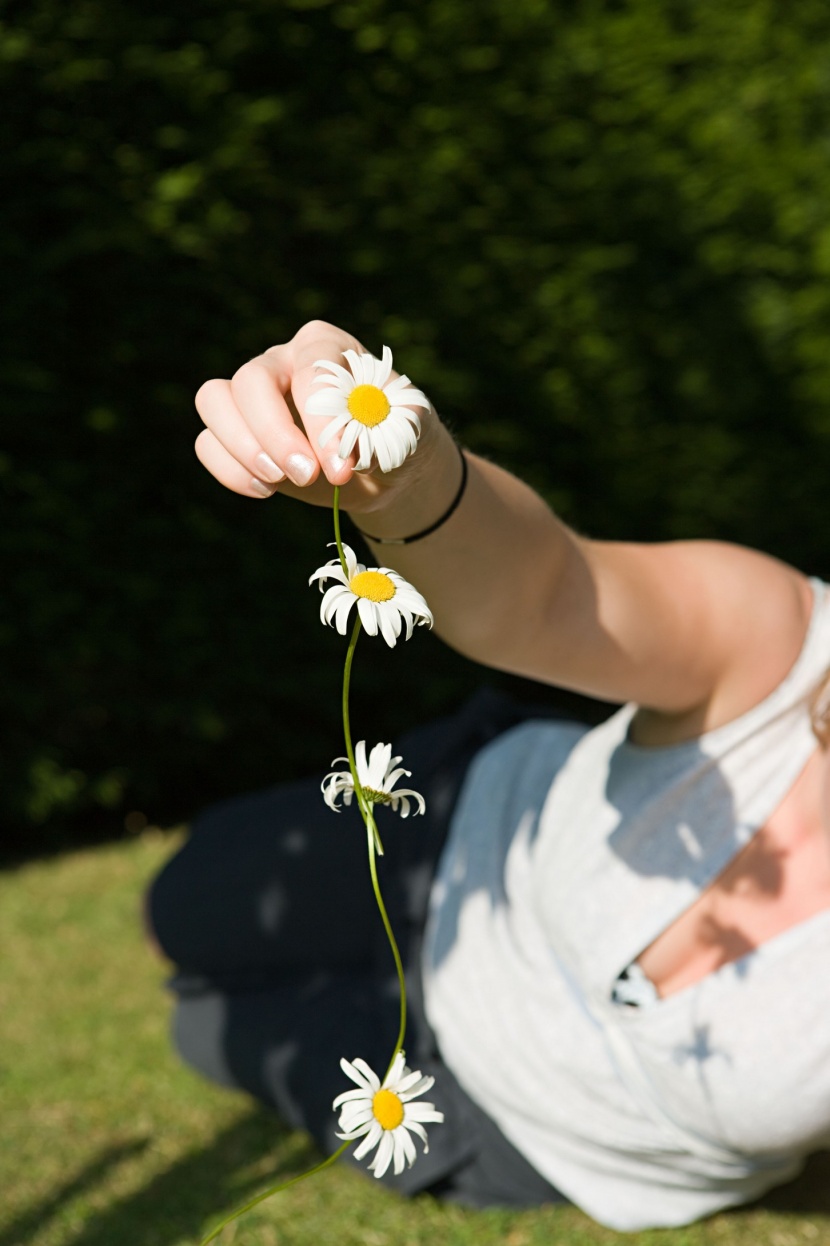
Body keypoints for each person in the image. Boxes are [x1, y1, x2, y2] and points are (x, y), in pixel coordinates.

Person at [146, 320, 830, 1231]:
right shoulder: (785, 644)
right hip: (449, 842)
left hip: (495, 1125)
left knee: (198, 1031)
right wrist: (408, 475)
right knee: (177, 908)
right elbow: (549, 593)